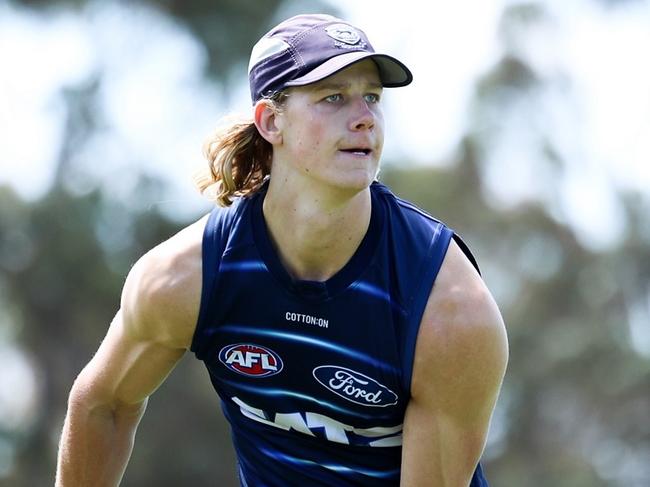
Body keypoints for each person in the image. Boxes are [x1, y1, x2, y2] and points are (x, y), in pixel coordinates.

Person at [56, 13, 508, 487]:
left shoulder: (449, 311)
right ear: (272, 121)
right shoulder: (186, 277)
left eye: (371, 97)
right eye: (333, 97)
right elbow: (103, 405)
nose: (364, 118)